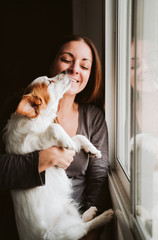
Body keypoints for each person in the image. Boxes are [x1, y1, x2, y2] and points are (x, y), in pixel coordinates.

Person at [0, 35, 111, 240]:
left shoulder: (93, 118)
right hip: (30, 227)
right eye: (67, 60)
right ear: (51, 64)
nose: (74, 69)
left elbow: (99, 177)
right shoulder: (18, 110)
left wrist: (90, 233)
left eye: (84, 66)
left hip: (73, 224)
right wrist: (43, 159)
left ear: (90, 76)